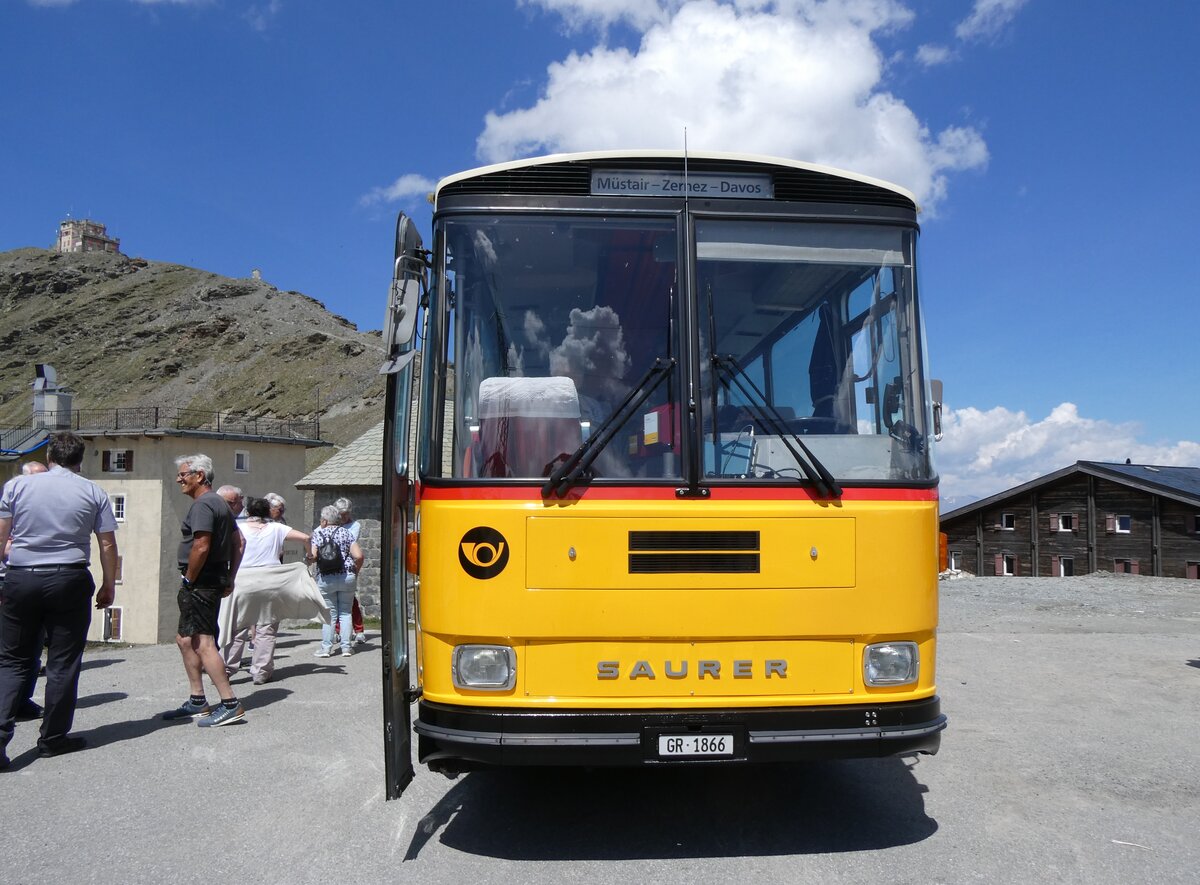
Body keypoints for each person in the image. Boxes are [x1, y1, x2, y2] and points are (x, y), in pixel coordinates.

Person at [0, 433, 118, 768]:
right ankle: (52, 739)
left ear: (49, 457)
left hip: (21, 576)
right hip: (69, 576)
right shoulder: (93, 491)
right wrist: (109, 584)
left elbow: (2, 533)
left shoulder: (17, 486)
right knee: (63, 662)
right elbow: (107, 544)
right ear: (80, 460)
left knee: (12, 660)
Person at [162, 454, 246, 728]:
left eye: (183, 474)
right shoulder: (219, 503)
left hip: (200, 582)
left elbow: (201, 545)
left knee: (202, 642)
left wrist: (189, 579)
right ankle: (198, 699)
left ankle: (230, 703)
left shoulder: (203, 504)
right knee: (185, 639)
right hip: (212, 579)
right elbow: (239, 542)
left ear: (199, 476)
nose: (179, 479)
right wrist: (230, 576)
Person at [220, 497, 309, 684]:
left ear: (248, 512)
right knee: (266, 628)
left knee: (237, 628)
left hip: (243, 581)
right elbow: (305, 538)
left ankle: (226, 669)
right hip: (270, 581)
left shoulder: (238, 527)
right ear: (268, 512)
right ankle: (261, 671)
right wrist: (311, 554)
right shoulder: (277, 528)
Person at [1, 461, 49, 723]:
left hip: (31, 582)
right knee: (10, 652)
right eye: (37, 478)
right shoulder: (10, 504)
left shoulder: (42, 508)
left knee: (33, 648)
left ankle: (21, 701)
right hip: (8, 583)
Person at [310, 504, 363, 658]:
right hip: (347, 576)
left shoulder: (318, 534)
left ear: (325, 520)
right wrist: (355, 571)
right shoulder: (346, 533)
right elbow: (359, 556)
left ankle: (326, 648)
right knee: (345, 613)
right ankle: (346, 648)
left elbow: (313, 557)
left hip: (326, 577)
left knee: (330, 614)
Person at [335, 497, 367, 645]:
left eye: (346, 514)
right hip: (332, 566)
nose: (344, 517)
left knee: (351, 600)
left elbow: (348, 542)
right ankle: (336, 631)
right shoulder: (330, 524)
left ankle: (359, 630)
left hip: (347, 566)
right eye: (341, 514)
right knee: (333, 602)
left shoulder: (354, 525)